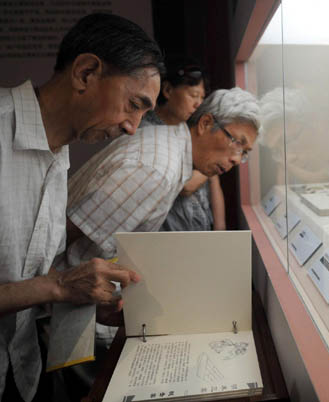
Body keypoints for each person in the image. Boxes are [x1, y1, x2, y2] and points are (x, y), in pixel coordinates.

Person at [0, 13, 164, 402]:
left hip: (21, 373)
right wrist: (57, 286)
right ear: (86, 73)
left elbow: (27, 275)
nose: (133, 128)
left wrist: (80, 299)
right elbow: (44, 282)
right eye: (134, 104)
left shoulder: (60, 155)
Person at [64, 86, 259, 275]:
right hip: (62, 291)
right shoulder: (159, 171)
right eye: (237, 142)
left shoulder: (167, 144)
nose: (236, 158)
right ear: (205, 123)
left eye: (244, 153)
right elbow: (69, 233)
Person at [141, 56, 226, 231]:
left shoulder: (192, 128)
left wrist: (221, 228)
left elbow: (214, 181)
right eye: (193, 95)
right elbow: (186, 185)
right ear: (168, 90)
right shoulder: (146, 131)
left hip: (203, 229)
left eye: (202, 97)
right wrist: (214, 165)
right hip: (172, 239)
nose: (199, 104)